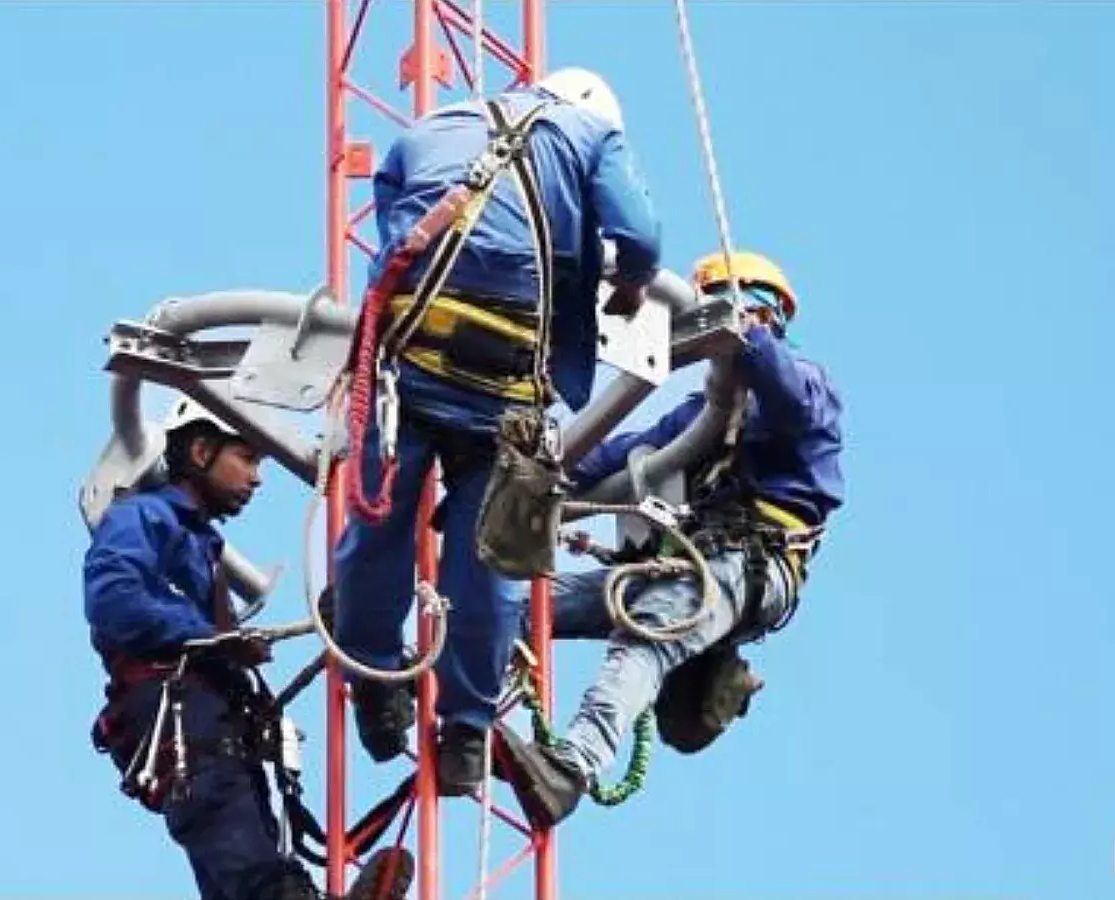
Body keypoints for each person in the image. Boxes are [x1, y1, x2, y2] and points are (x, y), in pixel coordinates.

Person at [333, 66, 663, 796]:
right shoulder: (590, 132)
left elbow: (393, 225)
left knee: (376, 522)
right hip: (504, 384)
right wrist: (631, 285)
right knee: (497, 556)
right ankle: (465, 732)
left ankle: (372, 676)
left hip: (408, 350)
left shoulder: (430, 127)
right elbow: (638, 233)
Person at [495, 250, 846, 828]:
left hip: (749, 563)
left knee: (645, 641)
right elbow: (609, 454)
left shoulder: (809, 386)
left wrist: (746, 336)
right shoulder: (697, 410)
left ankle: (571, 768)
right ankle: (455, 704)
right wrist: (525, 470)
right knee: (533, 608)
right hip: (695, 562)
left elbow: (789, 397)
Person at [85, 398, 415, 900]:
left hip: (217, 726)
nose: (257, 478)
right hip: (184, 721)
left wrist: (229, 651)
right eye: (247, 458)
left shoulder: (202, 546)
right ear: (199, 451)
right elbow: (115, 599)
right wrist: (215, 639)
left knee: (248, 869)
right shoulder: (145, 517)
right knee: (251, 869)